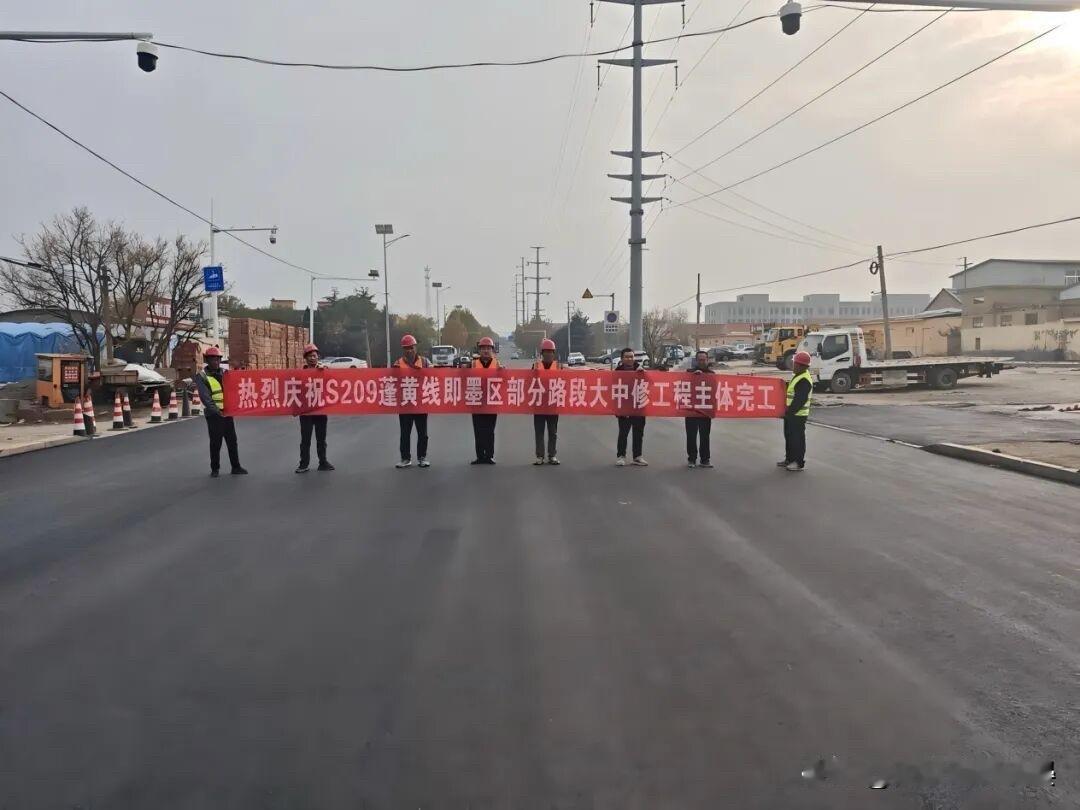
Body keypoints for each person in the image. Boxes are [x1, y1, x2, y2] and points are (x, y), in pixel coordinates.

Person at [194, 346, 247, 478]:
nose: (215, 362)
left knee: (232, 441)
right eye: (212, 359)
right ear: (207, 360)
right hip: (214, 415)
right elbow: (206, 398)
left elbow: (236, 388)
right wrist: (218, 412)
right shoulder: (202, 376)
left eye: (217, 359)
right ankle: (215, 468)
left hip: (227, 413)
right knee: (216, 442)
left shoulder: (225, 373)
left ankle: (236, 467)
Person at [295, 343, 334, 474]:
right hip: (306, 411)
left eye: (314, 356)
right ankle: (303, 464)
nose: (312, 358)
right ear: (305, 358)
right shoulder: (301, 373)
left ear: (318, 357)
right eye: (310, 356)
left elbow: (334, 384)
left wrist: (326, 372)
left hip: (320, 410)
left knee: (321, 439)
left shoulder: (324, 370)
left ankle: (323, 462)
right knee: (305, 439)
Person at [395, 334, 431, 469]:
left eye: (411, 347)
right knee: (405, 433)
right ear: (403, 349)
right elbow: (392, 381)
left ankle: (422, 457)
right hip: (405, 404)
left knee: (423, 433)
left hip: (421, 403)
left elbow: (434, 377)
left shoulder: (426, 362)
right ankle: (405, 458)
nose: (409, 350)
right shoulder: (398, 363)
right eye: (406, 348)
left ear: (415, 347)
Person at [779, 349, 813, 472]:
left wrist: (789, 412)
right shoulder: (798, 376)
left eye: (794, 363)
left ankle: (798, 462)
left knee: (797, 439)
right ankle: (789, 459)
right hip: (791, 414)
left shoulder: (804, 380)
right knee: (789, 437)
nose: (792, 365)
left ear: (800, 365)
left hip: (797, 415)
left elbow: (800, 400)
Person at [613, 347, 647, 467]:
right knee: (623, 433)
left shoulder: (640, 369)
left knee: (638, 433)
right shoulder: (617, 372)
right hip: (624, 407)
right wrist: (618, 409)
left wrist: (643, 374)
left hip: (639, 406)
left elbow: (651, 385)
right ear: (622, 359)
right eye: (627, 357)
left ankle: (637, 456)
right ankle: (621, 456)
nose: (629, 359)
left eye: (631, 357)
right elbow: (613, 390)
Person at [532, 338, 561, 465]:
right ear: (542, 353)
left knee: (553, 432)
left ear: (554, 353)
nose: (548, 354)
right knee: (539, 432)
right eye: (546, 351)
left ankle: (552, 455)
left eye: (551, 351)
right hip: (538, 404)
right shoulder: (536, 366)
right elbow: (528, 382)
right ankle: (539, 456)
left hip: (553, 403)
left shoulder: (559, 367)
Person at [471, 336, 499, 465]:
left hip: (492, 402)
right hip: (476, 401)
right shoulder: (473, 364)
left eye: (488, 348)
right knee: (478, 430)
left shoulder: (497, 365)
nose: (486, 351)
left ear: (492, 350)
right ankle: (479, 456)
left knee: (489, 430)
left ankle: (489, 456)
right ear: (479, 350)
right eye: (483, 348)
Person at [685, 349, 715, 469]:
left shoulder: (712, 374)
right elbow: (682, 386)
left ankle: (705, 459)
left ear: (707, 360)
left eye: (704, 360)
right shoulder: (688, 373)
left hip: (705, 409)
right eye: (699, 360)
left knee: (705, 436)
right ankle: (692, 459)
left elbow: (715, 390)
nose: (702, 362)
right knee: (691, 436)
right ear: (696, 361)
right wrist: (694, 376)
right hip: (691, 410)